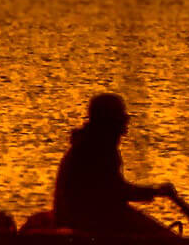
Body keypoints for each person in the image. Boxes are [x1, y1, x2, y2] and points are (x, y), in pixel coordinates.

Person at [52, 93, 178, 236]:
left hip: (90, 216)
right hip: (87, 220)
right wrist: (154, 191)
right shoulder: (95, 149)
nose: (126, 122)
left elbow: (115, 190)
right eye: (121, 117)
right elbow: (116, 191)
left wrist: (152, 192)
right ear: (109, 121)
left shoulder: (93, 144)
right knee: (159, 236)